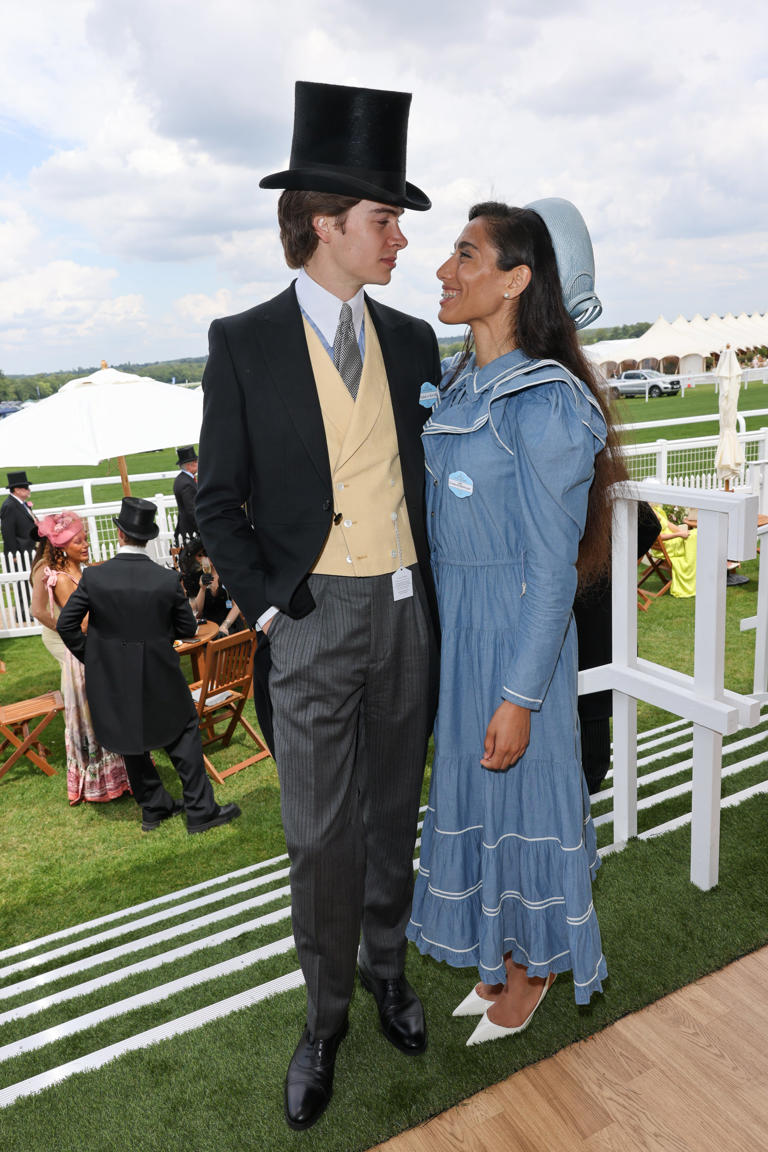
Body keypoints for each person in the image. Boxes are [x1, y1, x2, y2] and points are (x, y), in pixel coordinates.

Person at [195, 81, 440, 1130]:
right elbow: (213, 500)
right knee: (317, 834)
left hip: (405, 617)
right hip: (310, 621)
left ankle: (387, 970)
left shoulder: (417, 343)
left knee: (393, 813)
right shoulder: (243, 342)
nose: (399, 241)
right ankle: (327, 1012)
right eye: (385, 221)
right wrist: (271, 604)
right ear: (326, 223)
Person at [406, 199, 626, 1046]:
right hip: (460, 632)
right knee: (475, 797)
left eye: (465, 255)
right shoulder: (462, 381)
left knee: (524, 793)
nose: (443, 270)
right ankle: (498, 957)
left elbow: (550, 573)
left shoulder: (546, 402)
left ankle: (533, 970)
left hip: (514, 639)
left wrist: (519, 696)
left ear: (515, 281)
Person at [56, 497, 241, 835]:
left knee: (130, 740)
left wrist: (95, 659)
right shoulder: (164, 579)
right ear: (148, 537)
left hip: (112, 678)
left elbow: (67, 624)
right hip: (160, 672)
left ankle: (153, 808)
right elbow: (187, 628)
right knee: (183, 734)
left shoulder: (95, 578)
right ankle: (199, 811)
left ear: (119, 534)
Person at [29, 511, 132, 804]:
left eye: (85, 539)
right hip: (83, 652)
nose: (86, 545)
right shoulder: (59, 577)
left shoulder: (80, 571)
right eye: (79, 541)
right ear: (62, 546)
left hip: (97, 648)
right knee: (94, 714)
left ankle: (122, 774)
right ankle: (102, 780)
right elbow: (82, 623)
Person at [178, 536, 245, 636]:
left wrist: (225, 626)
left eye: (207, 552)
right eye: (200, 555)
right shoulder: (193, 578)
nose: (206, 558)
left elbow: (237, 604)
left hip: (230, 623)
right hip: (208, 627)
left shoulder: (226, 572)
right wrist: (202, 589)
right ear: (194, 559)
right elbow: (197, 613)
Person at [649, 504, 697, 597]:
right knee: (697, 536)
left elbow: (668, 524)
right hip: (666, 546)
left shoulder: (656, 509)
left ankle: (695, 576)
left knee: (695, 535)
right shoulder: (650, 514)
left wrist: (682, 532)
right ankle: (692, 577)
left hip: (669, 543)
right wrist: (679, 535)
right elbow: (658, 536)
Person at [2, 470, 38, 560]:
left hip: (29, 549)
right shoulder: (9, 506)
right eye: (26, 488)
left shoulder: (22, 503)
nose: (29, 490)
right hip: (21, 553)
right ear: (17, 490)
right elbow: (8, 532)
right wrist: (14, 554)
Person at [173, 446, 198, 543]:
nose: (198, 463)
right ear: (189, 465)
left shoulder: (182, 479)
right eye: (196, 461)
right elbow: (191, 511)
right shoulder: (186, 483)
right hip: (191, 531)